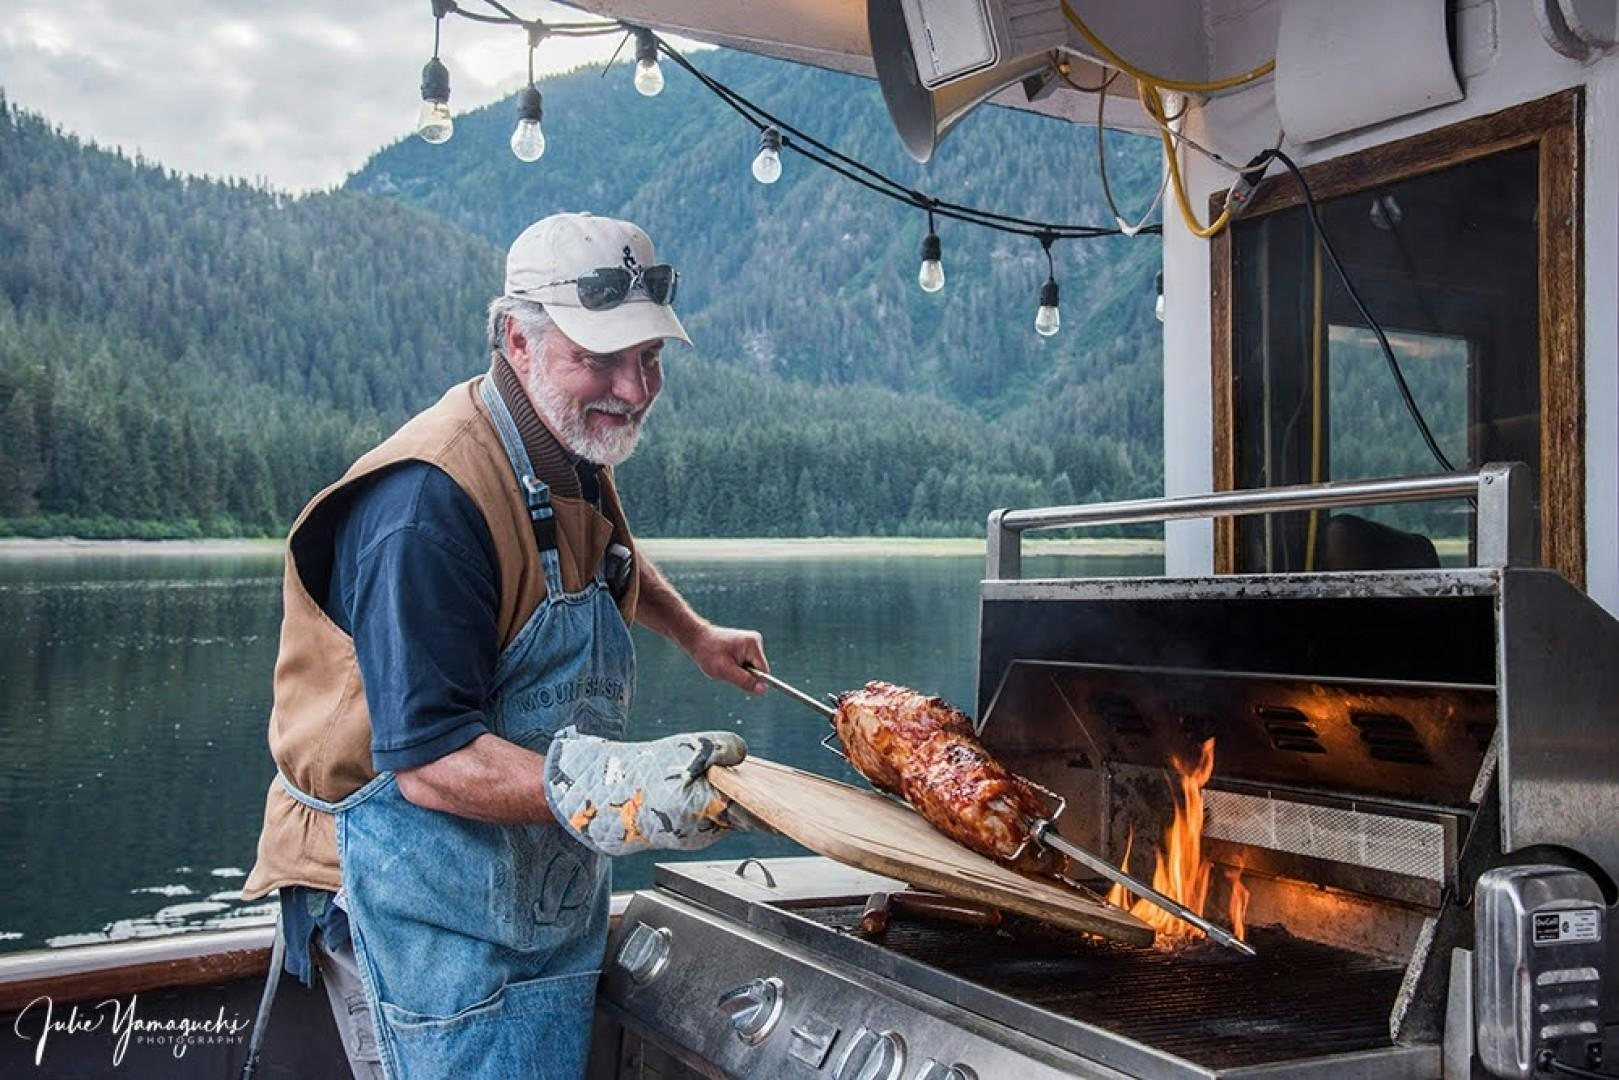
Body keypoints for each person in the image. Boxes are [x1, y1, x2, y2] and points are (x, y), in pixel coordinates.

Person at [241, 212, 770, 1079]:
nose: (633, 389)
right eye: (600, 357)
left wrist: (695, 635)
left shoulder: (563, 447)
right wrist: (623, 785)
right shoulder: (425, 509)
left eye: (650, 359)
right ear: (516, 341)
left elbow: (609, 557)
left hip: (525, 882)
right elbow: (432, 763)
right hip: (406, 897)